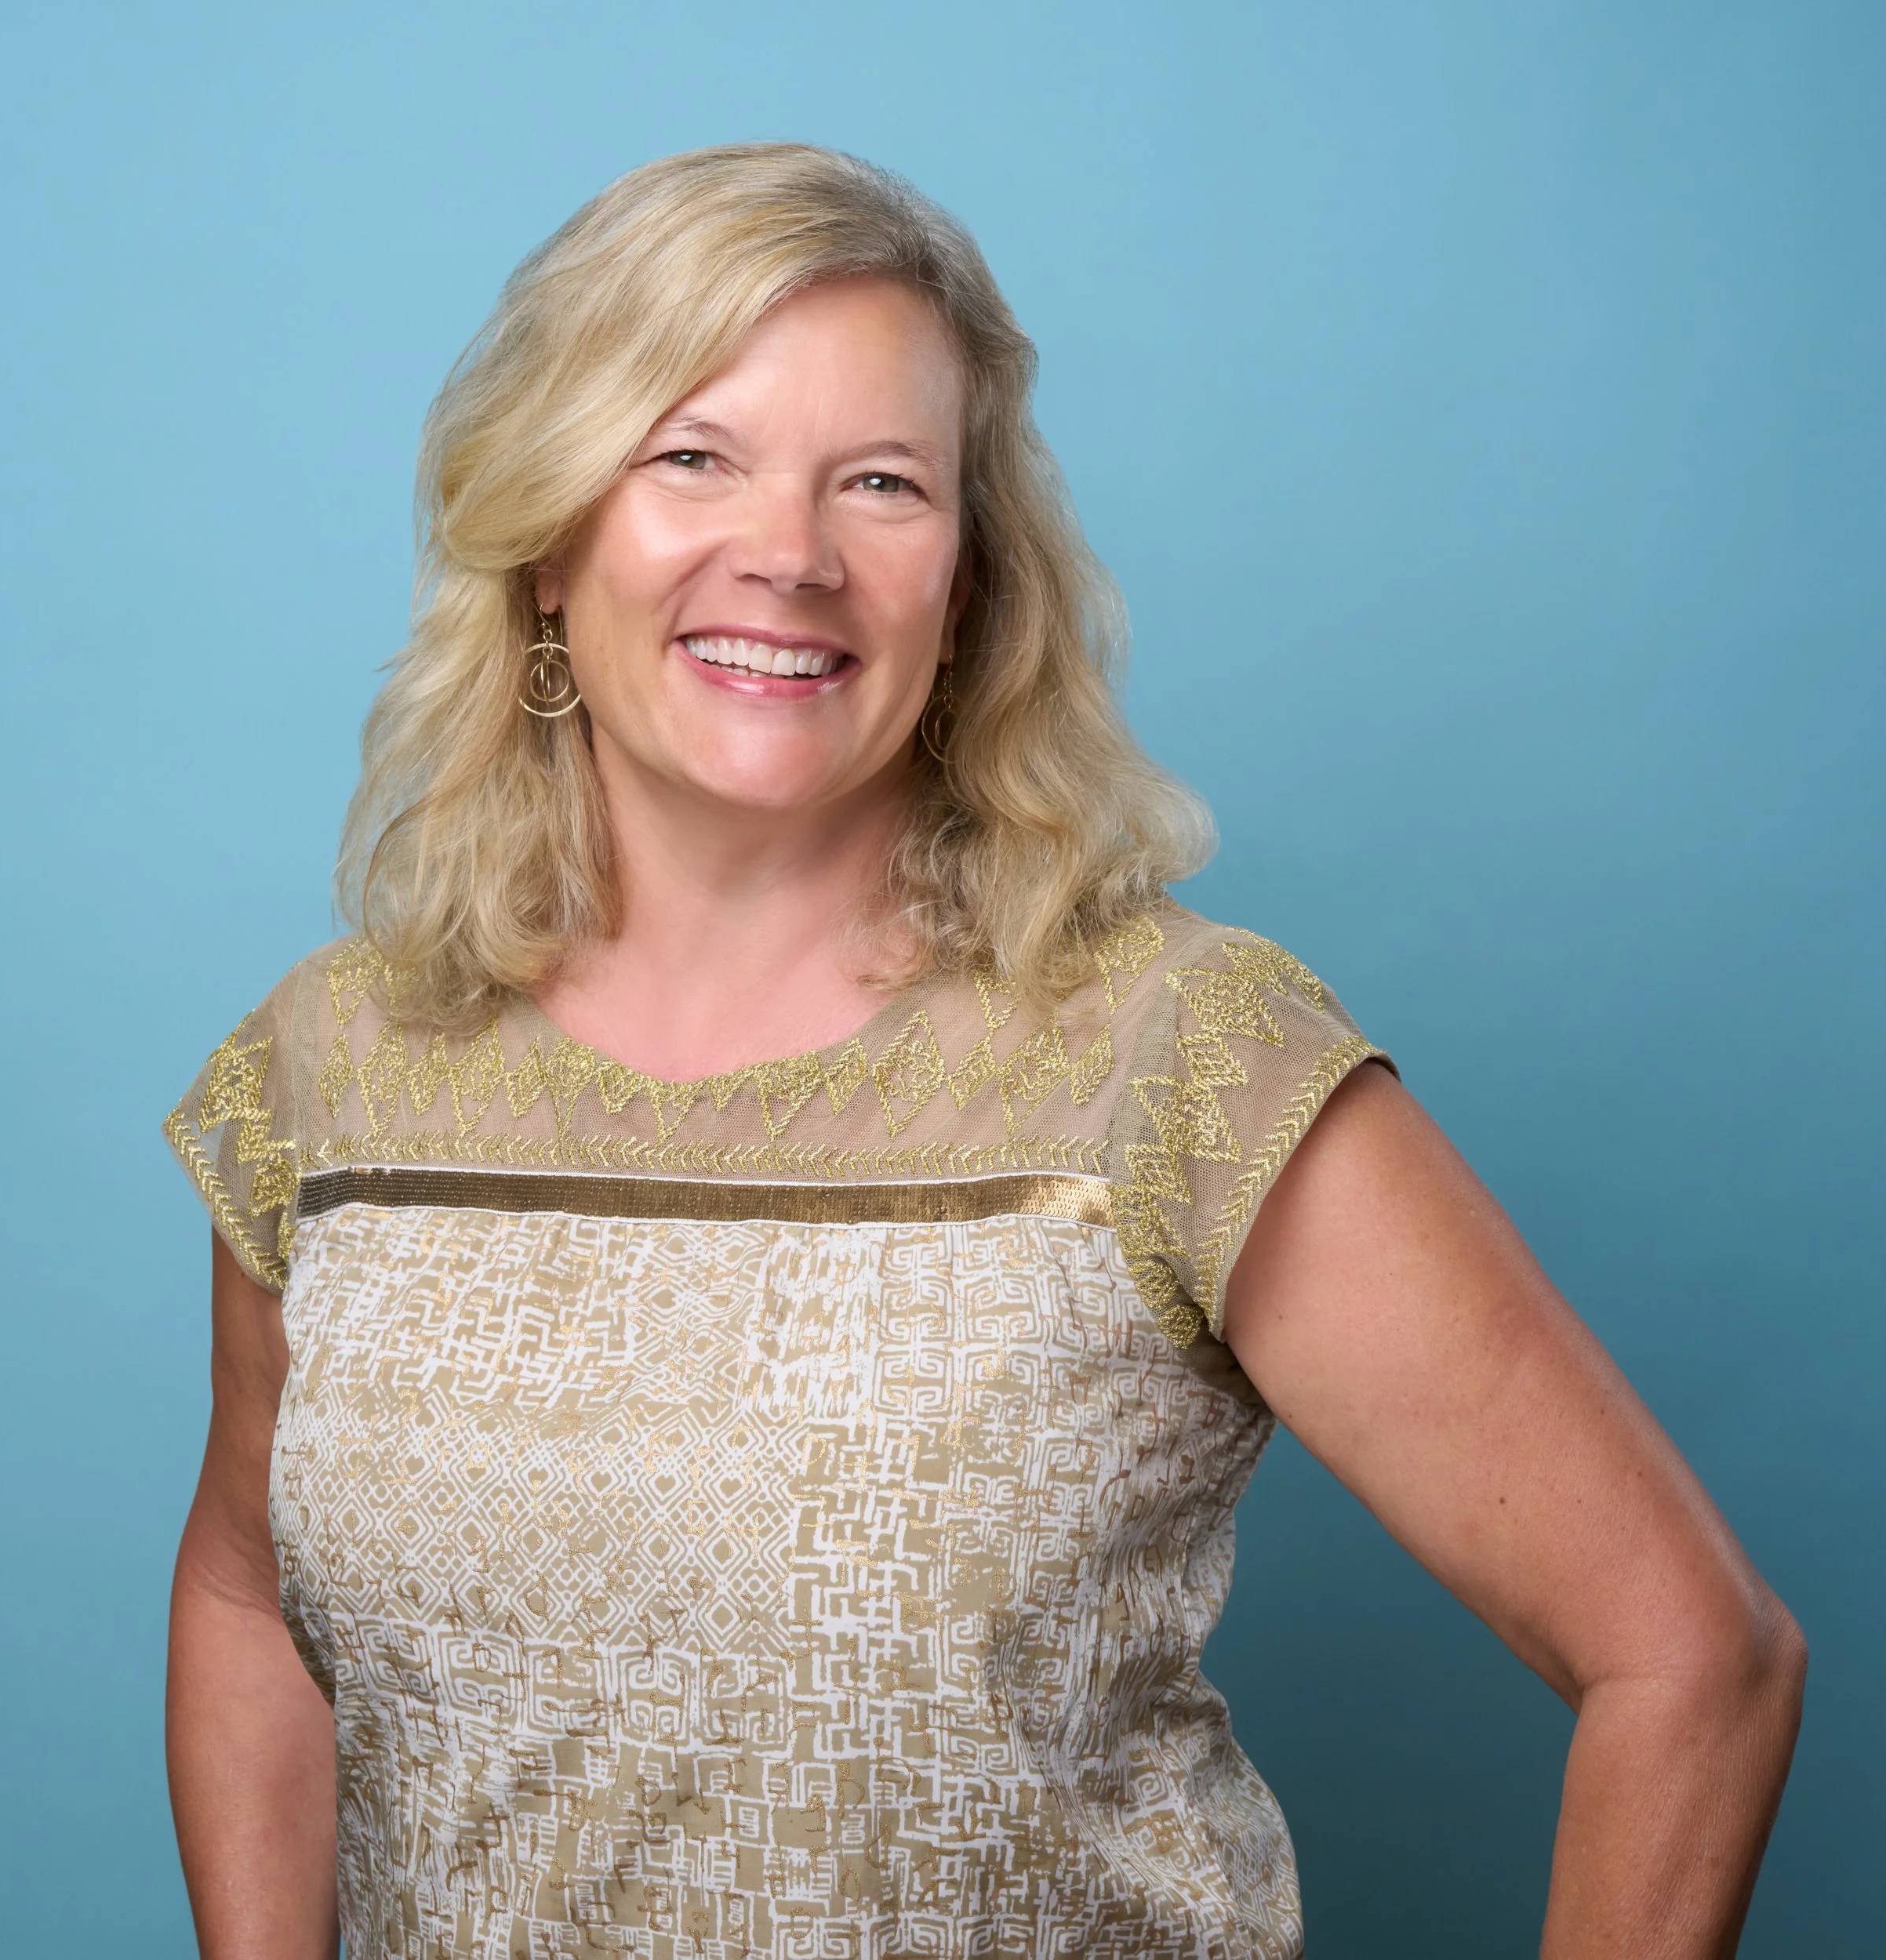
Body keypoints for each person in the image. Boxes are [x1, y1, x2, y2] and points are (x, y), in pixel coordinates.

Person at [164, 143, 1804, 1960]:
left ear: (965, 582)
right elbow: (249, 1586)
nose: (786, 555)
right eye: (689, 455)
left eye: (878, 482)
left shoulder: (1175, 1053)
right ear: (547, 542)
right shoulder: (335, 1067)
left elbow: (1690, 1653)